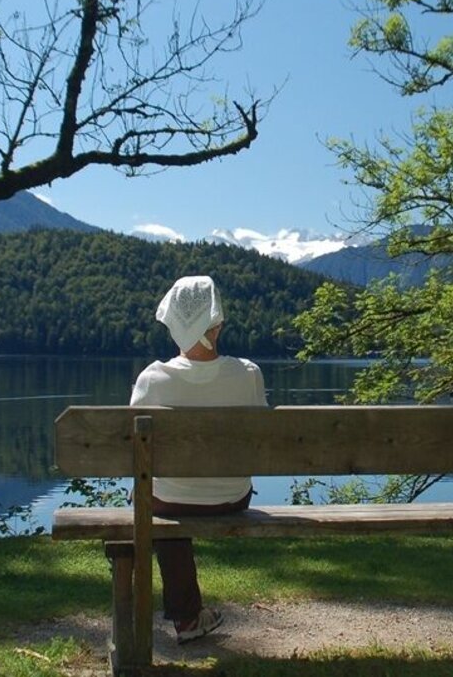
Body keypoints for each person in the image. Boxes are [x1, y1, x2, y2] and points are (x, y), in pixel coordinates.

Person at [129, 275, 267, 644]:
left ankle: (187, 618)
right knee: (163, 497)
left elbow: (131, 450)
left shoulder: (152, 378)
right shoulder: (248, 374)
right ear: (217, 324)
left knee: (156, 499)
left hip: (167, 500)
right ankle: (190, 617)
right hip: (232, 496)